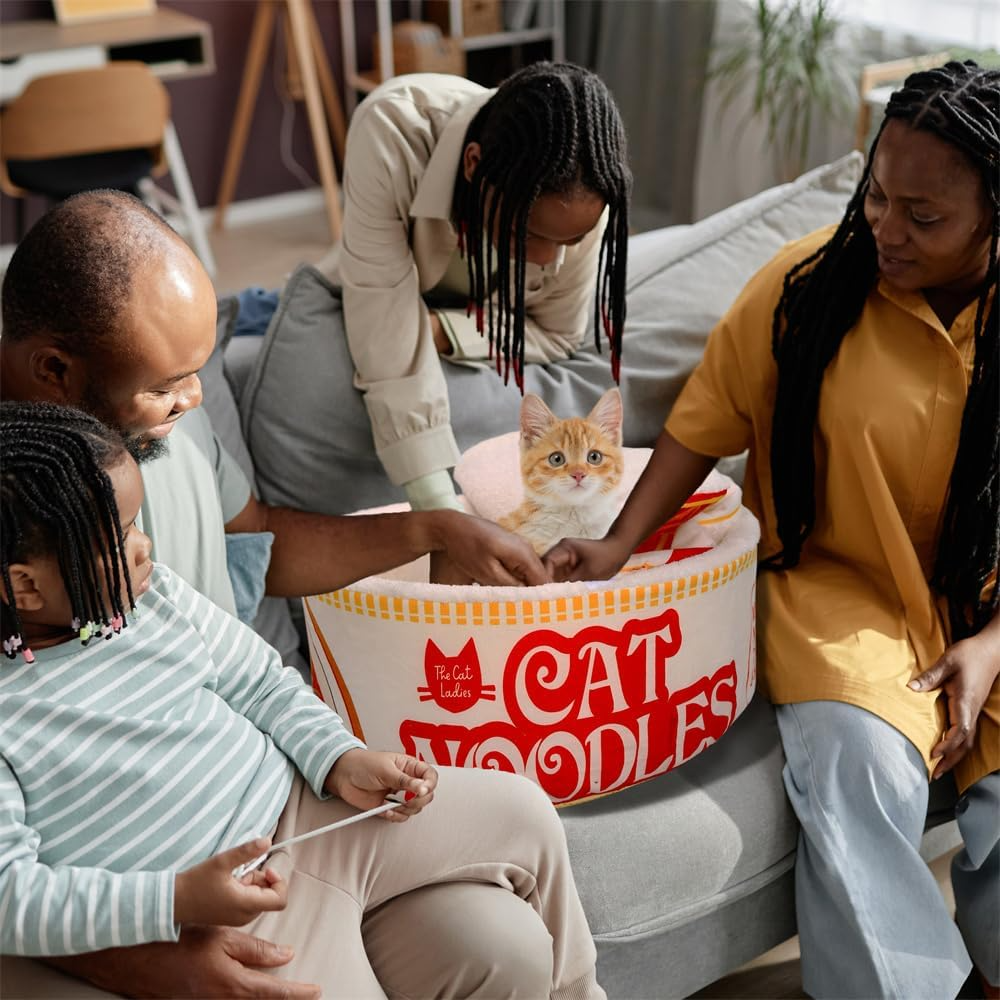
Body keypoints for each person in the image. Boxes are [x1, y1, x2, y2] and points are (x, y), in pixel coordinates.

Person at [0, 191, 560, 997]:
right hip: (144, 889)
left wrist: (429, 530)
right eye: (169, 383)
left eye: (198, 374)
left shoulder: (155, 426)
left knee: (504, 948)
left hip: (274, 811)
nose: (192, 401)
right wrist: (142, 949)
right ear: (56, 370)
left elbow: (253, 538)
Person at [545, 60, 999, 1000]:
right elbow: (700, 427)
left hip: (994, 600)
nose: (885, 229)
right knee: (857, 767)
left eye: (925, 217)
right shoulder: (805, 290)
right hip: (842, 593)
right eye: (877, 197)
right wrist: (616, 545)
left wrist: (992, 646)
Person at [0, 400, 605, 1000]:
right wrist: (175, 900)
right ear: (25, 585)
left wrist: (339, 757)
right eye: (120, 538)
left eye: (137, 524)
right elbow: (10, 897)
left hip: (311, 811)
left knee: (525, 810)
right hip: (236, 910)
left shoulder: (151, 596)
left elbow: (260, 681)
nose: (145, 547)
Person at [326, 62, 631, 512]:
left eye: (571, 241)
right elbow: (382, 317)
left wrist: (440, 330)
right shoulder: (392, 129)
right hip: (359, 284)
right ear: (473, 165)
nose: (550, 261)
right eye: (528, 235)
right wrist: (438, 507)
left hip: (444, 312)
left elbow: (559, 333)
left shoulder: (587, 193)